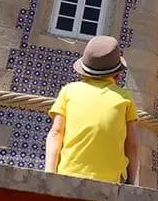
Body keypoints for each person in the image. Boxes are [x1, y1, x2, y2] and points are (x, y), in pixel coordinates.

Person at [46, 36, 139, 184]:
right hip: (110, 180)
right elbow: (132, 144)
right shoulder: (125, 98)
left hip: (68, 175)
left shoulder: (68, 91)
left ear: (83, 70)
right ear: (118, 74)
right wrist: (132, 182)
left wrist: (49, 174)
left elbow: (56, 133)